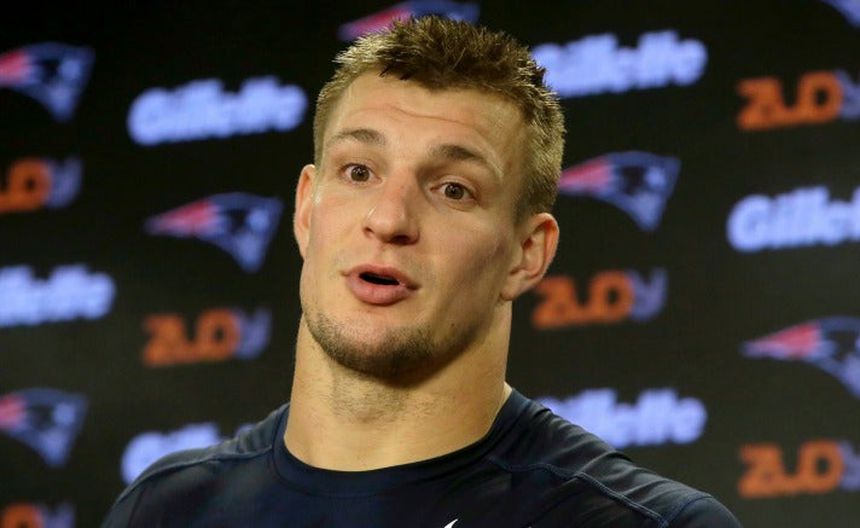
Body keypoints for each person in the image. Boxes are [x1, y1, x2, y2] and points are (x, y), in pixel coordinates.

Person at [103, 16, 742, 527]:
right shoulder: (164, 511)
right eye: (359, 171)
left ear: (527, 253)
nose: (389, 218)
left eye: (453, 189)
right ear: (305, 209)